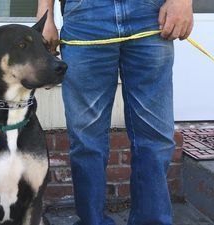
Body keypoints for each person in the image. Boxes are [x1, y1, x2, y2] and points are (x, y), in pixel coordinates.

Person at [37, 0, 193, 224]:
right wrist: (45, 11)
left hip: (150, 13)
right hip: (85, 15)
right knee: (86, 140)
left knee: (155, 137)